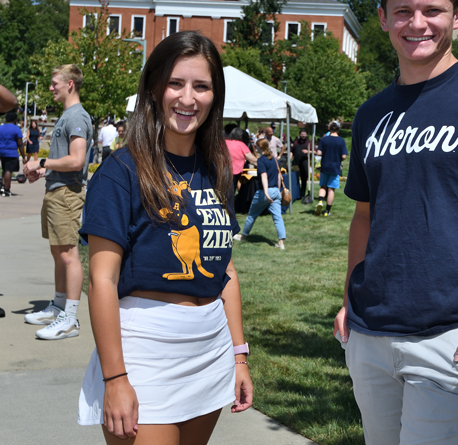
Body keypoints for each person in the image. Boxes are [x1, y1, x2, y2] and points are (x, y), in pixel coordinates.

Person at [336, 0, 458, 444]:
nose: (418, 24)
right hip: (371, 333)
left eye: (431, 11)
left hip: (451, 334)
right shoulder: (371, 113)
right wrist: (349, 296)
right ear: (384, 18)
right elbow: (365, 215)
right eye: (404, 11)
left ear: (457, 15)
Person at [76, 30, 253, 442]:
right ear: (155, 89)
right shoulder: (121, 171)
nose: (188, 98)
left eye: (201, 86)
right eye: (176, 83)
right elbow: (100, 279)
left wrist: (239, 355)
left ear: (215, 96)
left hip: (209, 348)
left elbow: (224, 266)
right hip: (144, 351)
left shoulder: (216, 169)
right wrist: (115, 377)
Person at [22, 65, 92, 340]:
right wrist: (43, 171)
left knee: (67, 255)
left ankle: (70, 319)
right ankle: (58, 307)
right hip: (57, 191)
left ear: (70, 84)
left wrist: (41, 161)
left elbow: (77, 160)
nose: (51, 88)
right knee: (57, 252)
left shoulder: (76, 116)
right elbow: (67, 162)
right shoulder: (67, 115)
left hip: (66, 195)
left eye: (55, 83)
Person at [233, 138, 286, 249]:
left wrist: (266, 193)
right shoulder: (275, 159)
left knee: (252, 215)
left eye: (256, 146)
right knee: (277, 217)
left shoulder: (261, 160)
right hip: (276, 190)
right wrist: (278, 190)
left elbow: (264, 176)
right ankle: (281, 242)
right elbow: (278, 176)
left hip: (265, 192)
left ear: (259, 147)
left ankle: (243, 236)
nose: (255, 148)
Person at [314, 121, 347, 217]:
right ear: (338, 129)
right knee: (331, 189)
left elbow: (319, 153)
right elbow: (344, 156)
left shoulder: (324, 139)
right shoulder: (341, 141)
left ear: (329, 128)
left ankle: (320, 201)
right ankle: (327, 211)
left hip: (325, 166)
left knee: (323, 186)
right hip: (335, 167)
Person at [0, 111, 24, 197]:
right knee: (9, 171)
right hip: (11, 152)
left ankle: (2, 187)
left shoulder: (1, 128)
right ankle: (7, 190)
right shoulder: (16, 129)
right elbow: (20, 144)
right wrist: (23, 156)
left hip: (1, 152)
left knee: (5, 169)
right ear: (14, 120)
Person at [291, 128, 311, 197]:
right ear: (300, 134)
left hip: (304, 162)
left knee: (304, 178)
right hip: (296, 162)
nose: (303, 135)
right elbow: (292, 150)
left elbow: (315, 152)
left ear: (306, 134)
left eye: (304, 134)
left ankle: (302, 193)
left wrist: (308, 151)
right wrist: (290, 156)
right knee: (294, 177)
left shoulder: (309, 142)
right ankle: (295, 193)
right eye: (302, 134)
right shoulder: (296, 141)